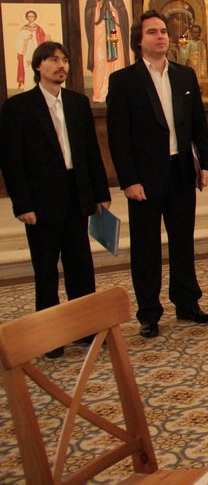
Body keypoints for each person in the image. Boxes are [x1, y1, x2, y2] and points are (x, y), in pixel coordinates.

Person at [106, 11, 208, 338]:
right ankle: (149, 312)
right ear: (139, 40)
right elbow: (118, 135)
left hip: (181, 170)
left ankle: (187, 303)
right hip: (145, 177)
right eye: (153, 32)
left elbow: (198, 124)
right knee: (146, 246)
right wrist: (128, 180)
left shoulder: (184, 75)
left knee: (183, 241)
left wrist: (205, 164)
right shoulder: (124, 80)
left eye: (164, 31)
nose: (161, 37)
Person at [0, 42, 111, 358]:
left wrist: (100, 193)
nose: (61, 65)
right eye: (53, 60)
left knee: (80, 265)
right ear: (38, 66)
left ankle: (84, 329)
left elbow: (91, 151)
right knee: (46, 268)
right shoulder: (18, 107)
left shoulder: (77, 103)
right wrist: (22, 204)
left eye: (64, 60)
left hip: (76, 193)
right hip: (41, 198)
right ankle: (49, 336)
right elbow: (12, 160)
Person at [83, 0, 130, 102]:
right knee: (100, 58)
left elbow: (122, 9)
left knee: (118, 58)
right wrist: (96, 9)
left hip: (115, 27)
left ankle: (119, 92)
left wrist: (115, 10)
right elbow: (88, 10)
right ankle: (101, 93)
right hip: (100, 27)